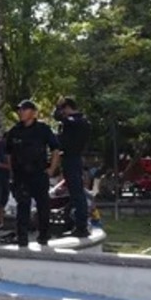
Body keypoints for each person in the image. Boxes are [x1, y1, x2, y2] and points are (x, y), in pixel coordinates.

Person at [4, 99, 61, 247]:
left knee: (43, 205)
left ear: (33, 112)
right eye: (20, 110)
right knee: (23, 205)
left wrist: (52, 169)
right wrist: (12, 171)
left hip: (39, 173)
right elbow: (8, 153)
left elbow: (55, 149)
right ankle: (22, 237)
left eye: (24, 109)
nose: (20, 112)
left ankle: (44, 235)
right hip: (21, 175)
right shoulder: (14, 131)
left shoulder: (43, 129)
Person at [54, 96, 92, 238]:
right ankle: (76, 222)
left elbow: (60, 118)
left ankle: (81, 226)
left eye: (63, 109)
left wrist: (60, 111)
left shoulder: (77, 121)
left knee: (77, 193)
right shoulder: (78, 122)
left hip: (73, 157)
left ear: (68, 107)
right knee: (74, 193)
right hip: (70, 157)